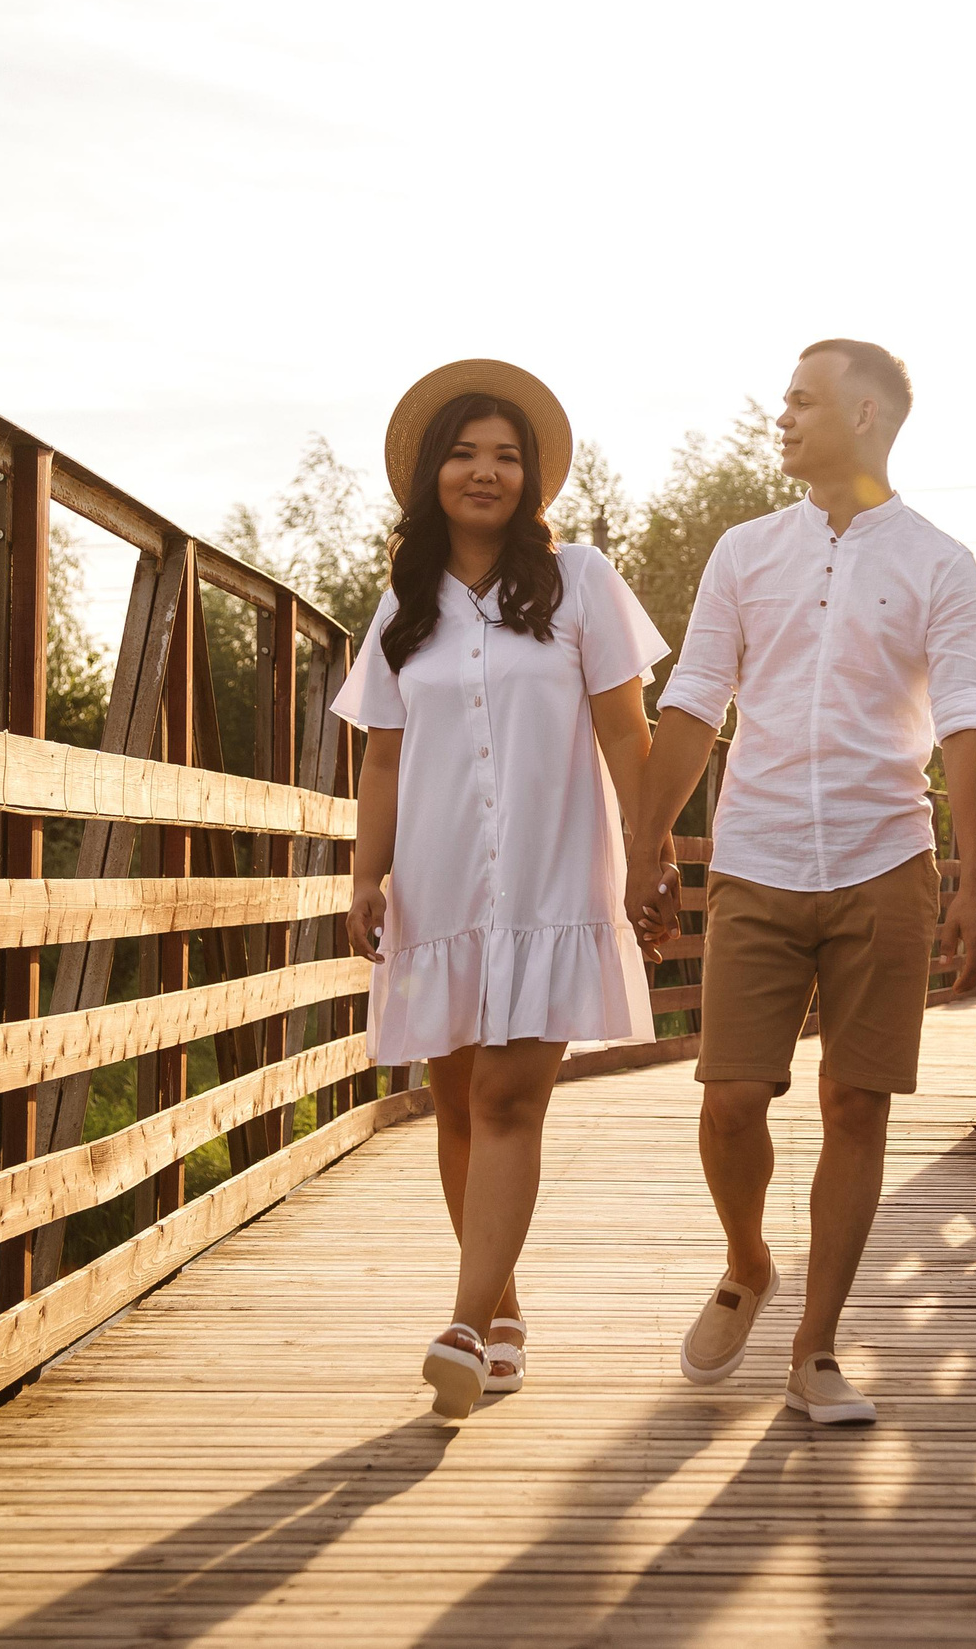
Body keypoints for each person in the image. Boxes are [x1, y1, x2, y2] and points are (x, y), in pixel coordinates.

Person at [626, 339, 976, 1426]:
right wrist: (646, 843)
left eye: (802, 400)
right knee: (731, 1098)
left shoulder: (940, 563)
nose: (781, 417)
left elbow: (968, 723)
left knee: (855, 1101)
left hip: (887, 860)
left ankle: (816, 1348)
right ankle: (747, 1260)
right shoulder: (744, 552)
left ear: (868, 414)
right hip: (756, 857)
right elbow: (694, 699)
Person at [333, 359, 669, 1420]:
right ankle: (505, 1311)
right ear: (432, 473)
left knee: (509, 1097)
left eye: (507, 457)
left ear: (533, 479)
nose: (486, 472)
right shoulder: (404, 603)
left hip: (549, 880)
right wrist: (366, 871)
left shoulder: (582, 582)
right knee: (456, 1104)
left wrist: (651, 852)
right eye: (466, 454)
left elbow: (627, 731)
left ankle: (465, 1326)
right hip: (437, 884)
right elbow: (383, 754)